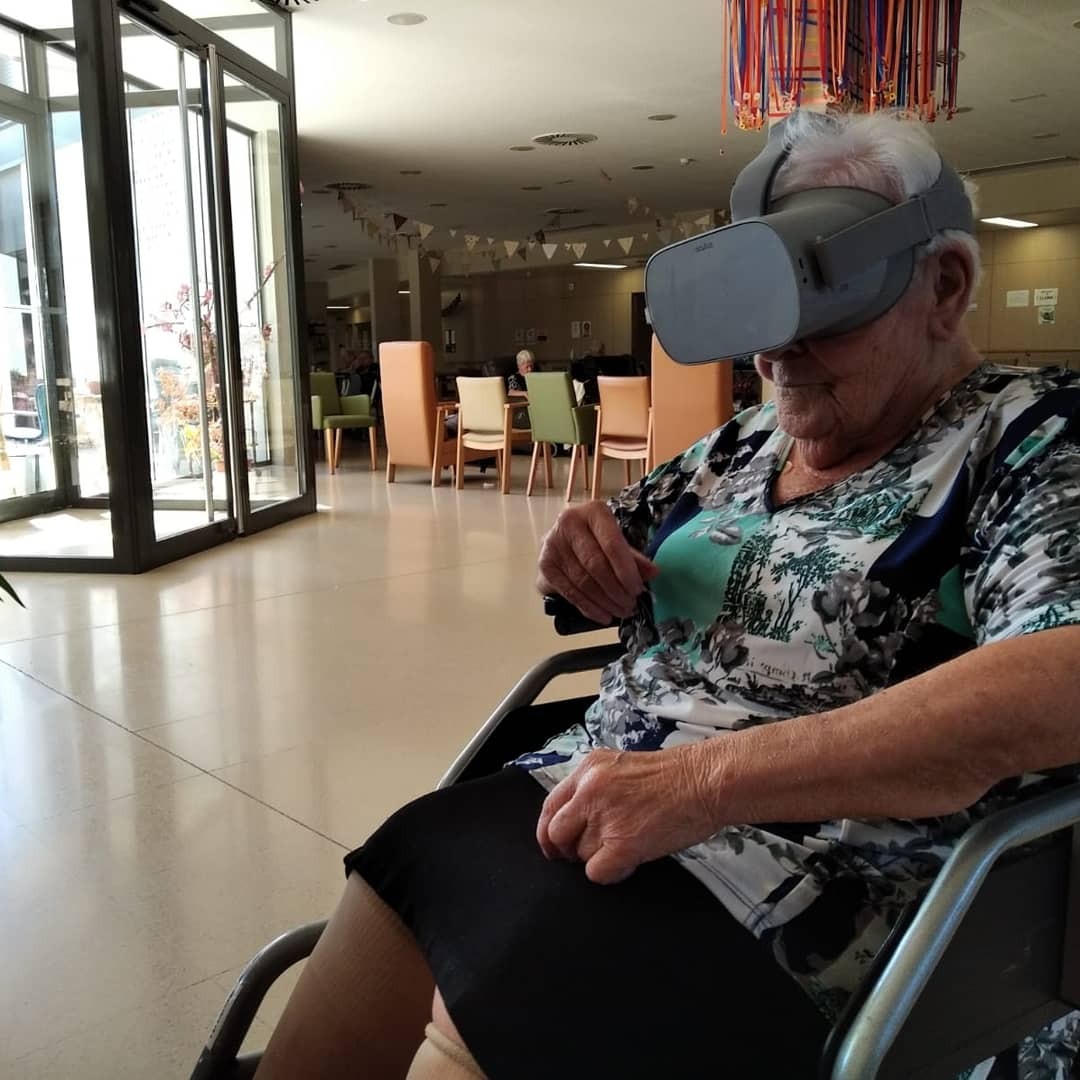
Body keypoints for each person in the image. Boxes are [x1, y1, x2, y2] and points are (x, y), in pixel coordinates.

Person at [254, 111, 1080, 1080]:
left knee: (519, 990)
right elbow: (610, 547)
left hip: (819, 880)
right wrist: (574, 550)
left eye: (825, 316)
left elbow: (1058, 678)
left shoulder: (1032, 440)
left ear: (944, 288)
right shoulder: (747, 443)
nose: (775, 357)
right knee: (404, 867)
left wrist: (702, 783)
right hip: (596, 794)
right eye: (764, 324)